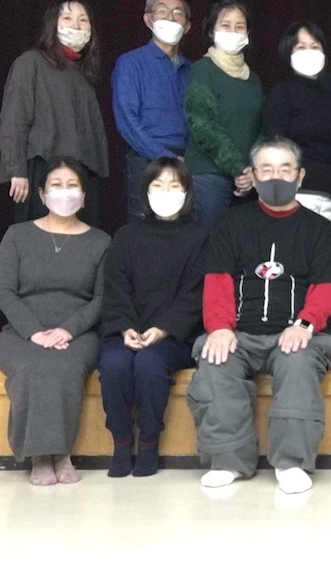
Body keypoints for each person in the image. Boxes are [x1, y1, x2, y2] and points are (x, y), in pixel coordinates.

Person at [186, 137, 331, 494]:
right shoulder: (230, 224)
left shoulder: (320, 230)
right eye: (267, 170)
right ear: (253, 176)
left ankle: (291, 462)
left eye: (285, 170)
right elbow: (217, 282)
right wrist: (220, 328)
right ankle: (228, 459)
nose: (276, 177)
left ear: (300, 176)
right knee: (214, 361)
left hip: (299, 331)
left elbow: (327, 288)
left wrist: (305, 325)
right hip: (239, 333)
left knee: (298, 363)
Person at [0, 157, 110, 486]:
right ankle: (40, 456)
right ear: (42, 194)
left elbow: (102, 299)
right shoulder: (17, 236)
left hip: (78, 331)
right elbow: (4, 292)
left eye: (72, 186)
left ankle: (62, 453)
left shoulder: (101, 242)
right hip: (21, 330)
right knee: (31, 366)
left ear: (84, 195)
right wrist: (34, 332)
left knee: (63, 366)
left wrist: (68, 330)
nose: (65, 192)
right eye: (56, 185)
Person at [97, 157, 207, 478]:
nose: (166, 193)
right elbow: (116, 288)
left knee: (149, 364)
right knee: (114, 364)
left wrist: (163, 330)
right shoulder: (126, 237)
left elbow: (195, 294)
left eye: (174, 186)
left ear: (187, 192)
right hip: (127, 330)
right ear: (145, 191)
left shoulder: (200, 238)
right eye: (158, 186)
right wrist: (126, 328)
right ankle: (120, 443)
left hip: (175, 336)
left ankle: (148, 442)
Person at [0, 0, 109, 226]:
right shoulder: (31, 63)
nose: (76, 26)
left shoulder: (82, 73)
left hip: (81, 173)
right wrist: (17, 171)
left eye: (83, 20)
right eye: (67, 18)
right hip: (43, 169)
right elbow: (14, 120)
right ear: (52, 25)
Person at [111, 0, 193, 222]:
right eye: (162, 11)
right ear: (148, 20)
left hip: (186, 162)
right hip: (145, 160)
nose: (170, 17)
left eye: (178, 13)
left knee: (183, 228)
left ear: (187, 26)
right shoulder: (131, 62)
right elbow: (127, 121)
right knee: (143, 228)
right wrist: (164, 157)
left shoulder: (192, 70)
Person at [184, 0, 263, 227]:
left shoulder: (254, 80)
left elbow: (261, 127)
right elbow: (203, 126)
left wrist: (252, 170)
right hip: (209, 177)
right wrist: (238, 168)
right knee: (211, 242)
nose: (233, 32)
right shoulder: (202, 69)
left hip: (247, 180)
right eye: (225, 26)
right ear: (211, 32)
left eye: (239, 27)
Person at [263, 21, 331, 224]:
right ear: (288, 53)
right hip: (294, 193)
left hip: (328, 195)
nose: (309, 52)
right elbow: (275, 145)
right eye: (301, 47)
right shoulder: (282, 94)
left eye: (315, 46)